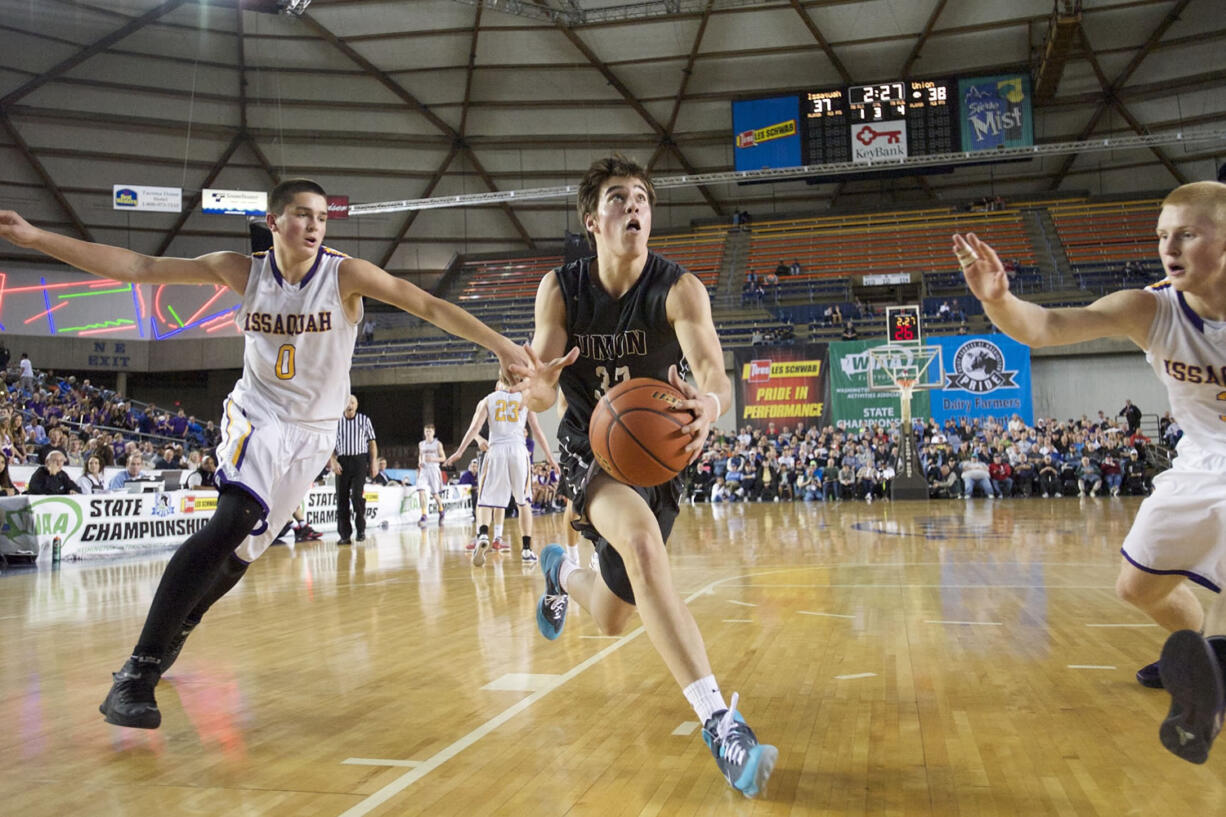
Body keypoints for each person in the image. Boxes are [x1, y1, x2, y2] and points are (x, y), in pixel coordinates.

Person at [0, 178, 528, 730]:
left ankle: (179, 628)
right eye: (302, 215)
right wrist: (35, 237)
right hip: (259, 414)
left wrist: (501, 345)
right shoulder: (241, 270)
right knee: (235, 516)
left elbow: (426, 303)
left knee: (242, 555)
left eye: (322, 217)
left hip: (315, 432)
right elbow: (138, 267)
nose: (315, 226)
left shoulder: (345, 275)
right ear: (274, 222)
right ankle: (137, 671)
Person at [510, 154, 776, 797]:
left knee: (610, 614)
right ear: (591, 219)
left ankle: (560, 571)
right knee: (641, 546)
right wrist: (537, 390)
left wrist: (710, 404)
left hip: (657, 456)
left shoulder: (679, 288)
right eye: (618, 199)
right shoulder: (562, 289)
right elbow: (540, 393)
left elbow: (713, 370)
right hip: (588, 448)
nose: (634, 207)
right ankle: (721, 722)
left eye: (642, 199)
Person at [953, 180, 1226, 764]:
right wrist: (998, 300)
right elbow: (1047, 328)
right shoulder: (1149, 308)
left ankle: (1218, 671)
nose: (1168, 247)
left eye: (1187, 234)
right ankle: (1203, 657)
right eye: (1161, 236)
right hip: (1203, 458)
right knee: (1137, 587)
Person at [445, 376, 558, 565]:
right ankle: (527, 549)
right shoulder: (524, 398)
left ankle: (482, 534)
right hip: (518, 451)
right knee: (524, 502)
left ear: (499, 382)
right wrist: (550, 457)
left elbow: (474, 428)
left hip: (495, 450)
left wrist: (458, 452)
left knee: (485, 499)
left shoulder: (488, 399)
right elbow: (537, 431)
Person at [331, 394, 377, 544]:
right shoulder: (336, 422)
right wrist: (332, 460)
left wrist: (373, 462)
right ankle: (344, 535)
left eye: (353, 402)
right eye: (347, 402)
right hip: (342, 462)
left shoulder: (364, 420)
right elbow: (329, 445)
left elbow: (372, 443)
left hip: (359, 461)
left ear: (356, 405)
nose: (350, 404)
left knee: (357, 496)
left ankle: (361, 530)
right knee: (341, 499)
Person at [415, 423, 447, 525]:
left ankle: (441, 510)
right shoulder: (421, 444)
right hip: (424, 469)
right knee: (421, 491)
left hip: (434, 469)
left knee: (435, 494)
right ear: (424, 432)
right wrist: (420, 462)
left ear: (433, 432)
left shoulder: (438, 444)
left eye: (430, 431)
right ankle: (424, 515)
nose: (428, 433)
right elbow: (420, 455)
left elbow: (443, 458)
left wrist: (432, 459)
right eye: (426, 431)